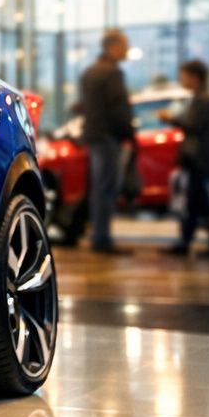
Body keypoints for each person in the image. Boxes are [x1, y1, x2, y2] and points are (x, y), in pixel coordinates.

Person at [159, 59, 209, 258]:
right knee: (197, 204)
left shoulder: (203, 99)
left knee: (198, 203)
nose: (182, 80)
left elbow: (193, 126)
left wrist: (170, 118)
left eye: (184, 76)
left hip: (200, 159)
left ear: (194, 77)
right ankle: (202, 243)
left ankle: (208, 244)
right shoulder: (200, 97)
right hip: (199, 158)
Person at [78, 29, 135, 254]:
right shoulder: (112, 73)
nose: (127, 50)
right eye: (125, 45)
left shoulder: (90, 72)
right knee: (107, 189)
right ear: (113, 46)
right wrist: (128, 133)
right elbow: (118, 109)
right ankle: (102, 239)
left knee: (99, 188)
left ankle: (99, 236)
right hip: (108, 138)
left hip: (95, 136)